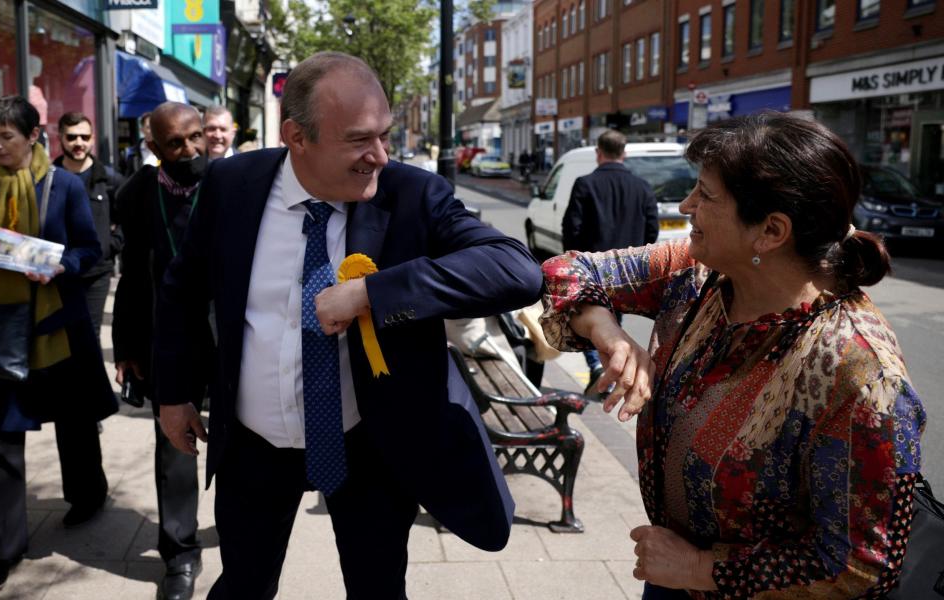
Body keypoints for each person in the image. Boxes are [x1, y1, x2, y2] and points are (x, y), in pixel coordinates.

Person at [153, 51, 542, 600]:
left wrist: (371, 294)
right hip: (254, 444)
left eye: (385, 134)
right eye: (359, 139)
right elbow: (182, 288)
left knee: (377, 588)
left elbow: (516, 271)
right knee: (243, 583)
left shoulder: (412, 194)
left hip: (369, 447)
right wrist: (173, 394)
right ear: (296, 136)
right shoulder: (232, 184)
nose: (379, 156)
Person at [540, 112, 927, 599]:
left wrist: (702, 569)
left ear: (770, 232)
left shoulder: (857, 373)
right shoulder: (700, 275)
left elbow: (860, 565)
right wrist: (608, 332)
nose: (686, 206)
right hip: (669, 578)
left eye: (705, 195)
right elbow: (566, 271)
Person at [0, 96, 115, 592]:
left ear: (33, 137)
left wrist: (64, 265)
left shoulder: (64, 186)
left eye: (6, 137)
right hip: (0, 327)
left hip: (57, 322)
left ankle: (88, 493)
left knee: (75, 419)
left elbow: (90, 247)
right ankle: (3, 547)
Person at [112, 102, 212, 600]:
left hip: (231, 338)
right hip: (166, 341)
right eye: (176, 143)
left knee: (244, 444)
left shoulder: (230, 183)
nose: (191, 150)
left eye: (197, 138)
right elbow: (130, 274)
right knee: (173, 450)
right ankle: (179, 555)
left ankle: (246, 539)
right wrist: (126, 347)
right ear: (154, 148)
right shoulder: (135, 195)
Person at [562, 129, 658, 398]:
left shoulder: (585, 184)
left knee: (590, 320)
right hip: (629, 273)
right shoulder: (642, 186)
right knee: (615, 321)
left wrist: (573, 260)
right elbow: (653, 229)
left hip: (592, 268)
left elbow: (572, 227)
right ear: (623, 153)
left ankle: (598, 365)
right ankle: (610, 368)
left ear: (598, 153)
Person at [53, 111, 125, 338]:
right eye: (72, 137)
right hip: (59, 272)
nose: (79, 143)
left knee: (90, 335)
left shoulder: (111, 180)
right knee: (61, 335)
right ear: (61, 139)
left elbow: (126, 220)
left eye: (84, 137)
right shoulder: (48, 178)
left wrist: (110, 246)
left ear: (92, 138)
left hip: (97, 273)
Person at [120, 112, 157, 177]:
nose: (152, 130)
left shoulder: (164, 150)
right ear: (142, 130)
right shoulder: (132, 153)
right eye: (148, 127)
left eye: (154, 126)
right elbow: (128, 178)